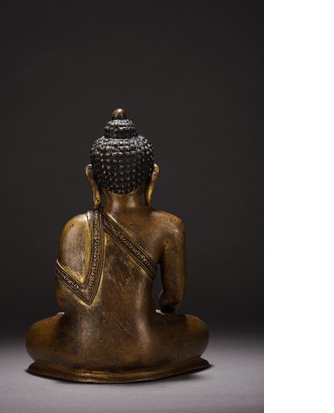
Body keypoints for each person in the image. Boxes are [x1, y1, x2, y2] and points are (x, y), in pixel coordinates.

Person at [26, 109, 209, 383]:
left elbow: (64, 301)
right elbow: (173, 297)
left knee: (36, 335)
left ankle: (87, 358)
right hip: (146, 346)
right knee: (198, 330)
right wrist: (160, 314)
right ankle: (138, 355)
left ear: (92, 177)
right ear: (153, 176)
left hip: (81, 348)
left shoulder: (74, 227)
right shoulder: (168, 226)